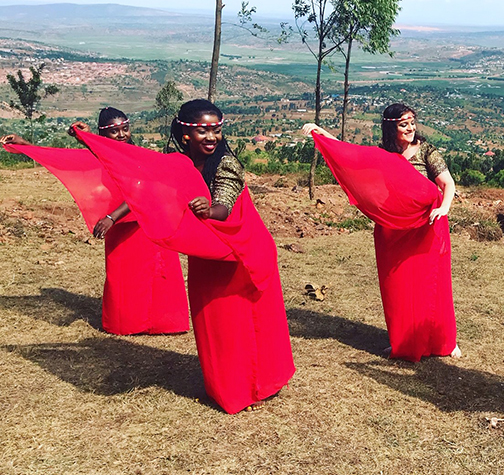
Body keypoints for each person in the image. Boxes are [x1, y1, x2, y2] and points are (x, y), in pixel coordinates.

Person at [77, 99, 296, 413]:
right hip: (209, 253)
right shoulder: (177, 163)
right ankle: (227, 386)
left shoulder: (226, 163)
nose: (212, 137)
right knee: (215, 321)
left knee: (248, 322)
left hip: (241, 251)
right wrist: (84, 138)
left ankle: (257, 384)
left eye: (216, 130)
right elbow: (136, 171)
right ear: (185, 136)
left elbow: (225, 202)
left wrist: (211, 211)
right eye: (203, 131)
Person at [1, 107, 189, 335]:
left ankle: (162, 323)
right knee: (123, 275)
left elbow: (142, 189)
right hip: (122, 226)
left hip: (145, 223)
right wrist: (24, 145)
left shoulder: (137, 155)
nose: (121, 135)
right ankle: (127, 323)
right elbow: (65, 159)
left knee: (156, 274)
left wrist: (111, 217)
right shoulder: (103, 154)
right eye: (114, 131)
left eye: (125, 129)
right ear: (103, 134)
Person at [303, 102, 461, 362]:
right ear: (391, 128)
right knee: (397, 284)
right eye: (403, 124)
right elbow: (352, 155)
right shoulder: (384, 154)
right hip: (393, 227)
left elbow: (448, 183)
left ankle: (444, 341)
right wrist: (321, 134)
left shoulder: (427, 151)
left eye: (412, 122)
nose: (410, 128)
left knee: (433, 283)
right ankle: (402, 341)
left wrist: (444, 208)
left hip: (427, 225)